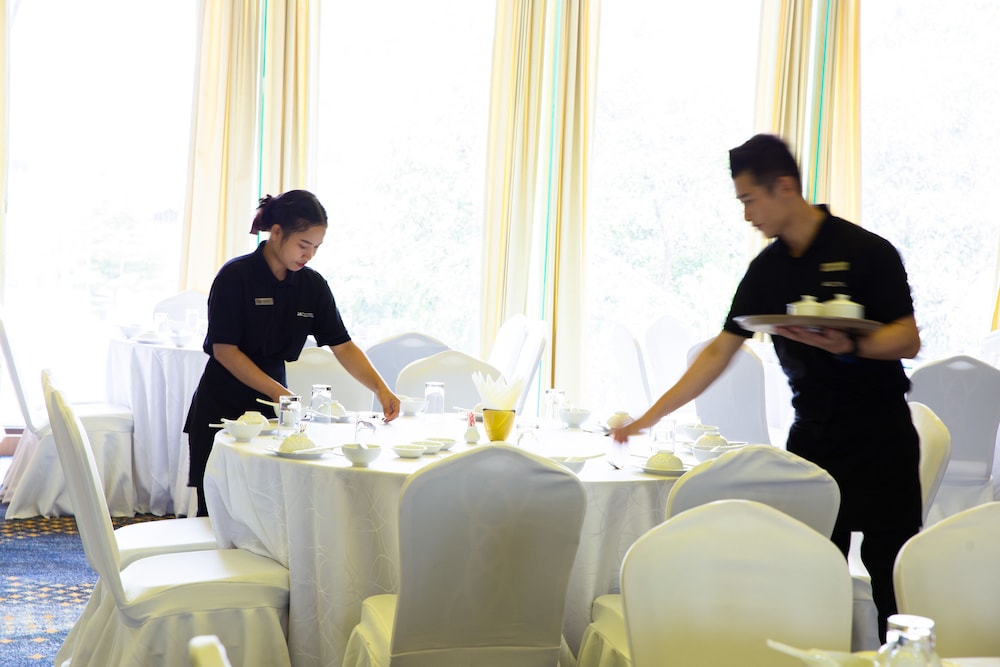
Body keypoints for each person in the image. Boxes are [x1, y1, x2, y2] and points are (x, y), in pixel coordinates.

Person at [614, 134, 922, 642]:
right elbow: (720, 350)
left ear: (783, 187)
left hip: (881, 436)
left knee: (894, 583)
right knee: (806, 578)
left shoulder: (867, 252)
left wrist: (849, 345)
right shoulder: (768, 270)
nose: (746, 215)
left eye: (749, 200)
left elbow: (907, 339)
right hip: (813, 441)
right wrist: (649, 418)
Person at [184, 189, 400, 516]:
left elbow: (342, 345)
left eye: (316, 248)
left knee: (271, 511)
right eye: (303, 245)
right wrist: (280, 393)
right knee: (217, 513)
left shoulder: (311, 286)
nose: (309, 255)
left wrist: (381, 389)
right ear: (276, 233)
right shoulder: (236, 276)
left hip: (276, 412)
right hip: (222, 406)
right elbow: (225, 350)